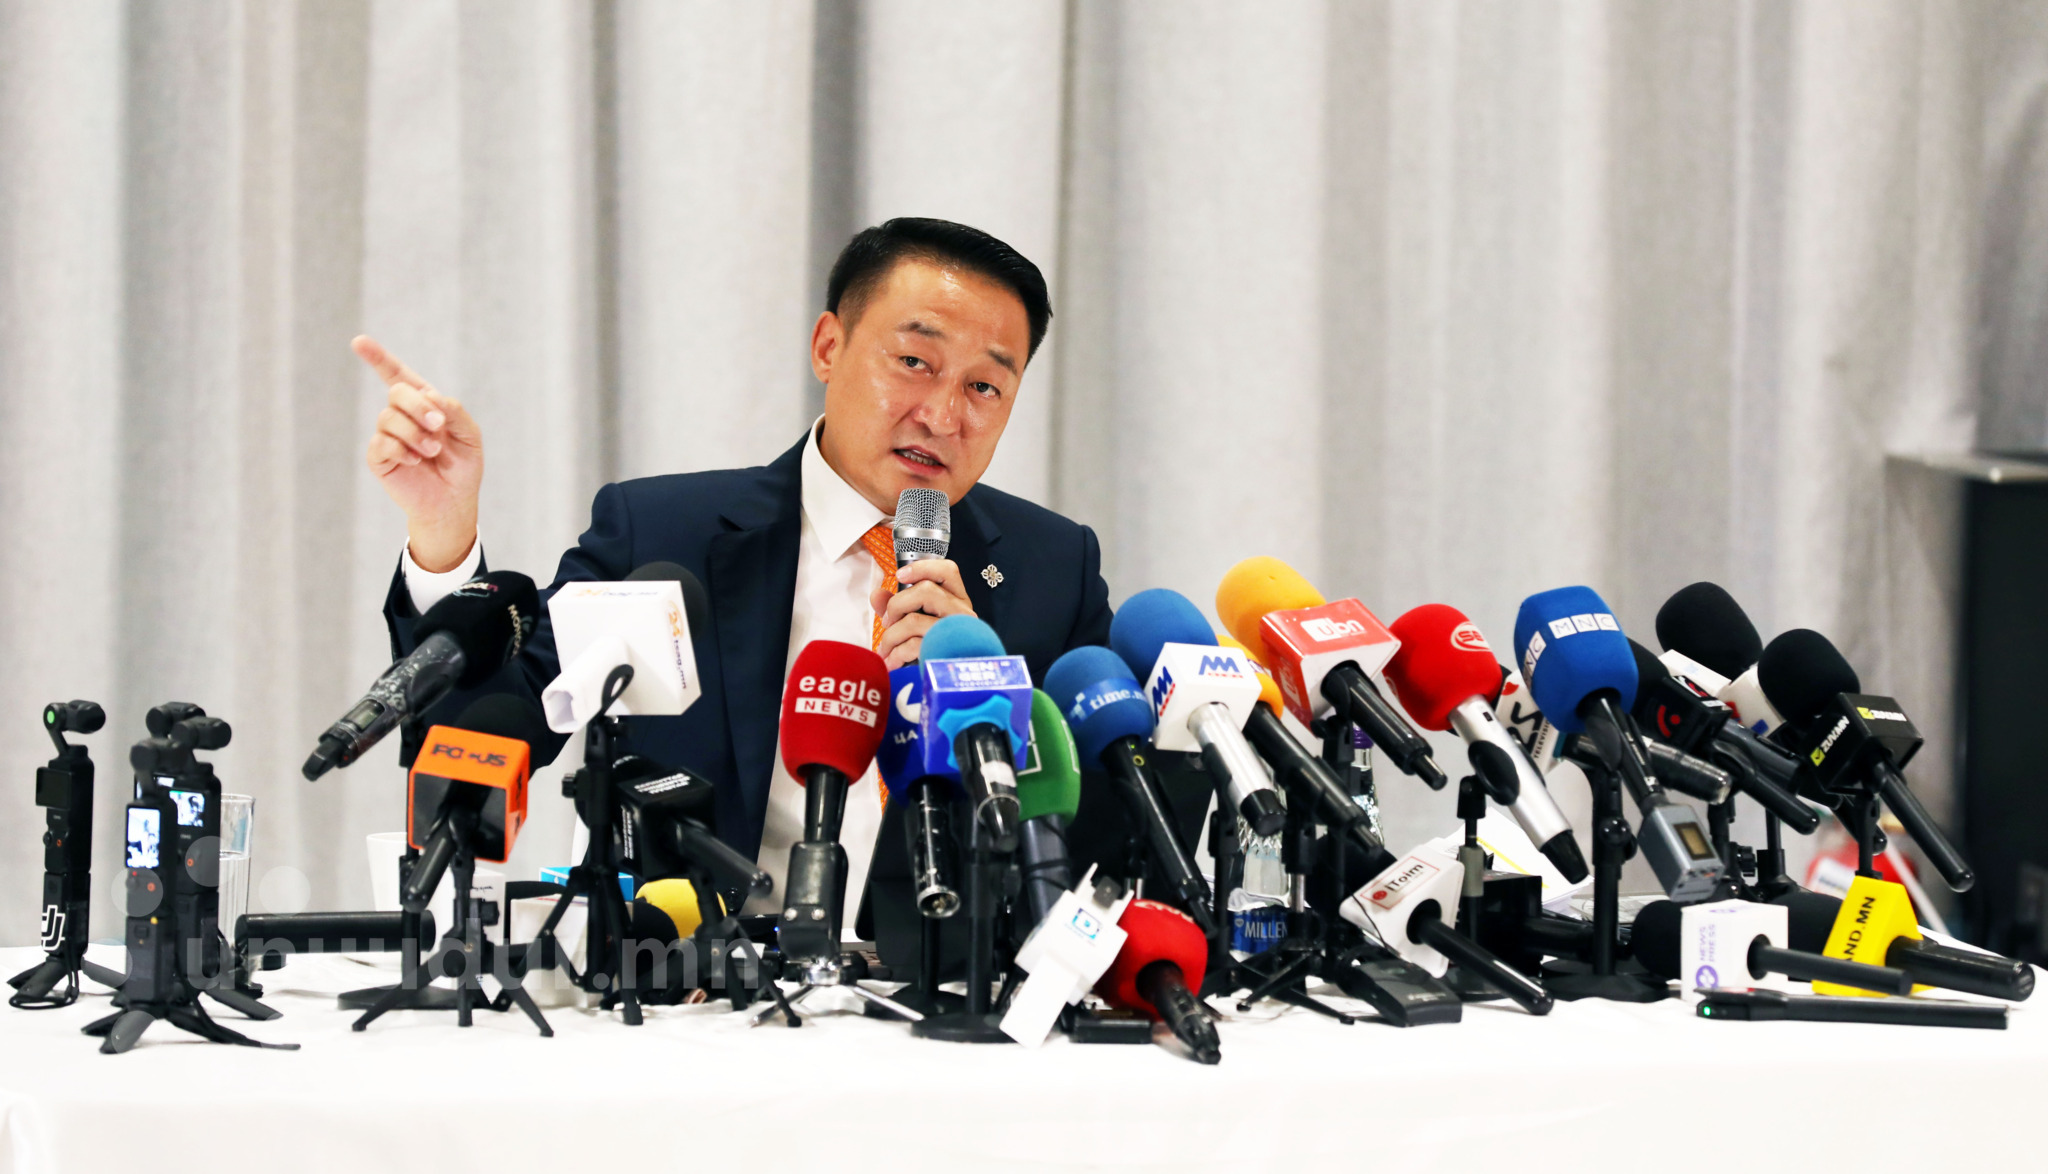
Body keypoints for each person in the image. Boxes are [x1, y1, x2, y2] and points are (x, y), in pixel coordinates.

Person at [362, 217, 1112, 915]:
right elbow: (478, 738)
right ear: (829, 347)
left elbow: (1106, 842)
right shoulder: (663, 537)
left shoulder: (1053, 568)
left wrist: (990, 701)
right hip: (705, 985)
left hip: (956, 983)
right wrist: (443, 532)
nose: (943, 416)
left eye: (984, 386)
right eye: (914, 362)